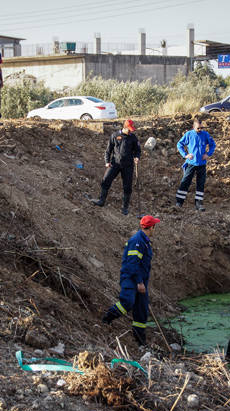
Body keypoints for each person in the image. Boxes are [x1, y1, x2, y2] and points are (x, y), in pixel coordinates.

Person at [102, 215, 160, 346]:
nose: (155, 229)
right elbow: (132, 264)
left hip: (141, 280)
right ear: (151, 227)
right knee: (127, 302)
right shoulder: (137, 241)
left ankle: (140, 341)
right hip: (131, 279)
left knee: (142, 310)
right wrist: (139, 282)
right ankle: (107, 319)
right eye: (154, 226)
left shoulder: (144, 241)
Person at [91, 119, 142, 215]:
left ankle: (125, 208)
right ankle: (101, 200)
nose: (131, 131)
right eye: (129, 129)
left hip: (128, 165)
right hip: (115, 163)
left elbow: (138, 150)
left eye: (132, 130)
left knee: (127, 186)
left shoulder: (133, 138)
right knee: (106, 180)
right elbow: (108, 150)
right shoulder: (114, 136)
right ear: (125, 127)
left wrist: (137, 157)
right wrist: (107, 161)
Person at [174, 118, 216, 211]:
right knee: (185, 182)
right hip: (191, 163)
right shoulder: (189, 134)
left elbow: (213, 145)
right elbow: (179, 144)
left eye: (201, 128)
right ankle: (179, 202)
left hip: (201, 164)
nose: (200, 130)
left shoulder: (205, 134)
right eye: (198, 128)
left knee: (200, 183)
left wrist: (208, 154)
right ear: (193, 127)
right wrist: (185, 155)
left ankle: (199, 204)